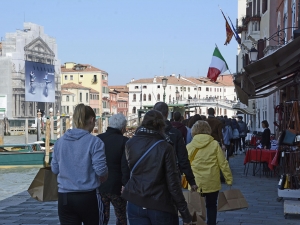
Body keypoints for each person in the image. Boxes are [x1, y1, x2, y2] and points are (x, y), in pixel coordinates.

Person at [122, 110, 192, 225]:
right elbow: (173, 183)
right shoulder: (165, 146)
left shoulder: (130, 143)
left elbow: (129, 170)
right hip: (160, 203)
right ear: (161, 126)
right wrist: (185, 214)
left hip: (135, 202)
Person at [51, 104, 108, 225]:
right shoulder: (95, 142)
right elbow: (101, 171)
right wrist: (105, 175)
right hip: (88, 197)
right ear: (92, 120)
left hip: (65, 197)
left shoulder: (59, 142)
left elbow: (55, 169)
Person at [187, 120, 233, 225]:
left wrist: (186, 178)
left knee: (196, 206)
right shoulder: (215, 145)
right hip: (212, 181)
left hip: (195, 182)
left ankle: (197, 223)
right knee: (211, 206)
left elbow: (185, 166)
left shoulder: (189, 146)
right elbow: (223, 164)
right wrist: (229, 179)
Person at [153, 102, 198, 191]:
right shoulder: (176, 133)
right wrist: (191, 181)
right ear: (167, 114)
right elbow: (183, 158)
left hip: (152, 175)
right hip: (172, 174)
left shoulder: (147, 132)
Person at [97, 113, 130, 225]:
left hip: (100, 186)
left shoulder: (98, 139)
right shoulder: (125, 141)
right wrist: (125, 185)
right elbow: (125, 166)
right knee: (121, 217)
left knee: (102, 217)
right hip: (118, 186)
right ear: (122, 127)